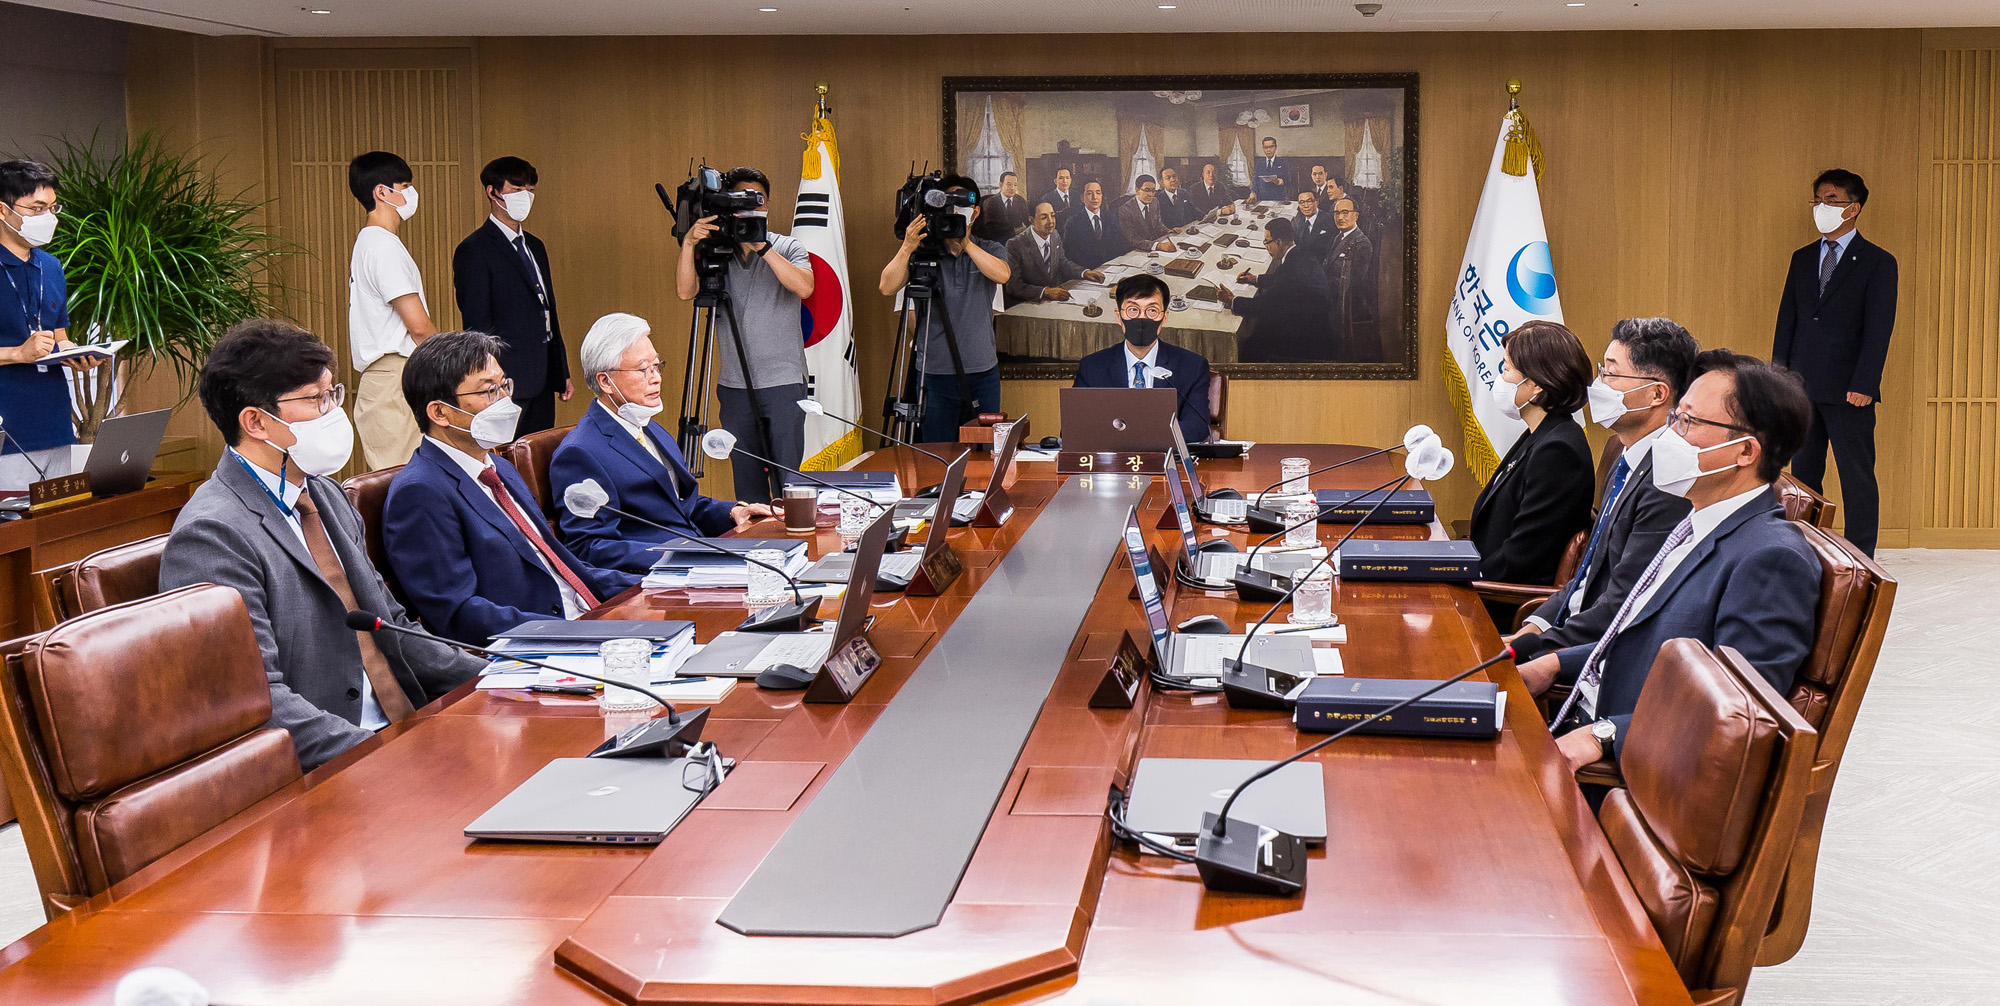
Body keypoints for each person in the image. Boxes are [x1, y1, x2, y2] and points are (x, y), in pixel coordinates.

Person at [161, 319, 482, 771]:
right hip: (333, 765)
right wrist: (387, 757)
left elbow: (392, 626)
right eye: (317, 399)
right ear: (255, 421)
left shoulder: (324, 494)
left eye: (334, 394)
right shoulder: (213, 533)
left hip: (407, 732)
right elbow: (257, 700)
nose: (334, 412)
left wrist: (498, 679)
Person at [1516, 351, 1820, 772]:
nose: (1670, 434)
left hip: (1625, 770)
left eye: (1688, 423)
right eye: (1676, 416)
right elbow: (1644, 637)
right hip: (1575, 710)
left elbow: (1737, 712)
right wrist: (1552, 662)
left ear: (1746, 451)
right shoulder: (1699, 522)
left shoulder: (1771, 559)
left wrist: (1606, 735)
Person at [382, 331, 636, 645]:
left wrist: (651, 586)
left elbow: (559, 565)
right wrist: (573, 633)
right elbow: (458, 613)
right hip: (540, 649)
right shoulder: (420, 492)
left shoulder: (497, 467)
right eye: (490, 391)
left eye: (505, 385)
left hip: (589, 623)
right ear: (439, 412)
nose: (506, 401)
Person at [1507, 318, 1698, 662]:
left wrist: (1534, 647)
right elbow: (1587, 575)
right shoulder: (1626, 456)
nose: (1598, 385)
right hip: (1564, 632)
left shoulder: (1667, 480)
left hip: (1590, 657)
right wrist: (1533, 627)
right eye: (1601, 371)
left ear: (1657, 393)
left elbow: (1623, 603)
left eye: (1611, 374)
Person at [551, 313, 774, 573]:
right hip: (659, 580)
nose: (656, 378)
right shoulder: (580, 452)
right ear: (605, 381)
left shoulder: (649, 427)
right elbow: (591, 547)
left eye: (657, 366)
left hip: (701, 559)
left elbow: (678, 508)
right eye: (643, 369)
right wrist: (679, 556)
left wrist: (732, 512)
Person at [1772, 168, 1895, 557]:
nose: (1821, 208)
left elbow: (1879, 330)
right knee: (1805, 476)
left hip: (1849, 390)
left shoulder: (1878, 262)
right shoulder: (1802, 258)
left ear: (1853, 208)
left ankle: (1862, 558)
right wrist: (1779, 380)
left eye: (1832, 200)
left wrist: (1865, 383)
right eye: (1818, 200)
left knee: (1856, 476)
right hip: (1802, 387)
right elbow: (1786, 321)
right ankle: (1807, 550)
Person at [674, 166, 816, 503]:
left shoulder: (788, 245)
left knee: (790, 482)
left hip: (784, 383)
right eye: (742, 202)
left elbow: (805, 287)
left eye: (758, 201)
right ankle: (758, 548)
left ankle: (795, 540)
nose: (751, 209)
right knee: (748, 482)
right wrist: (689, 242)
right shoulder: (716, 250)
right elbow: (685, 291)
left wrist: (764, 248)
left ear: (768, 205)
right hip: (734, 386)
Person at [1467, 320, 1596, 628]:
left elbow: (1523, 556)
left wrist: (1462, 575)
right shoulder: (1541, 434)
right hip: (1487, 589)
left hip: (1504, 607)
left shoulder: (1559, 451)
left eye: (1507, 369)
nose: (1500, 377)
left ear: (1536, 384)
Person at [877, 174, 1012, 444]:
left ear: (975, 212)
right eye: (947, 202)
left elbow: (1003, 274)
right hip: (935, 375)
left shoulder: (989, 249)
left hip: (983, 372)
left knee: (985, 450)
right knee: (938, 452)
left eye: (961, 203)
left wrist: (966, 243)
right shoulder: (924, 252)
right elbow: (886, 287)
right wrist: (906, 248)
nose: (954, 210)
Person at [452, 155, 571, 437]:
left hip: (542, 375)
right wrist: (488, 380)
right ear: (493, 193)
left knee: (537, 454)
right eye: (516, 191)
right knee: (506, 455)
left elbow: (547, 311)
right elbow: (477, 324)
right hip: (504, 378)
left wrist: (560, 369)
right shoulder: (475, 249)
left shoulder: (536, 247)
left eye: (529, 191)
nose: (525, 198)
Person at [0, 159, 101, 490]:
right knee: (16, 535)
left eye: (52, 207)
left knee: (60, 527)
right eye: (37, 208)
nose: (48, 217)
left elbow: (61, 338)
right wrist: (17, 353)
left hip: (56, 426)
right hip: (8, 434)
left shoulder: (51, 266)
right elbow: (23, 351)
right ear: (3, 211)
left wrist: (79, 355)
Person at [347, 151, 437, 470]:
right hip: (394, 377)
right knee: (402, 481)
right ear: (382, 192)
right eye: (405, 185)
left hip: (392, 377)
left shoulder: (371, 243)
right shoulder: (383, 245)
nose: (411, 193)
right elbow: (419, 327)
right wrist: (453, 363)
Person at [1071, 274, 1211, 444]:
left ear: (1164, 317)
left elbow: (1197, 426)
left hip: (1167, 464)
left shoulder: (1192, 366)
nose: (1142, 318)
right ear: (1118, 316)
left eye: (1152, 310)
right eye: (1133, 310)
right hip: (1113, 466)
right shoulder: (1092, 367)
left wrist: (1138, 434)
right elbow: (1074, 428)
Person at [1214, 217, 1334, 363]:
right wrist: (1255, 279)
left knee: (1250, 344)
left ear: (1278, 242)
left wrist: (1232, 300)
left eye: (1266, 242)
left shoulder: (1290, 267)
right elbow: (1283, 281)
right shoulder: (1299, 253)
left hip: (1305, 335)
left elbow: (1264, 305)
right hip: (1314, 322)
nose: (1266, 247)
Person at [1004, 201, 1104, 308]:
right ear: (1031, 220)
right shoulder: (1014, 245)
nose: (1051, 221)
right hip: (1028, 304)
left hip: (1054, 302)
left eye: (1052, 216)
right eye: (1044, 217)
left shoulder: (1054, 235)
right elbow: (1013, 285)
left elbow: (1062, 263)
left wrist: (1084, 272)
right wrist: (1045, 292)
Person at [1323, 196, 1378, 359]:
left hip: (1347, 304)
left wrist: (1318, 286)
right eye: (1337, 213)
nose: (1340, 217)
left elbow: (1352, 285)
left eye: (1345, 212)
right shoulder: (1340, 236)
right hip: (1334, 294)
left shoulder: (1362, 244)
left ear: (1356, 215)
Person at [1060, 179, 1122, 271]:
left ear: (1102, 196)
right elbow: (1071, 255)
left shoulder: (1110, 217)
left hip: (1111, 269)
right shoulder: (1073, 222)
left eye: (1098, 193)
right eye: (1089, 193)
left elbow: (1120, 245)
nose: (1095, 197)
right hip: (1087, 272)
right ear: (1082, 198)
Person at [1117, 174, 1178, 255]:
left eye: (1153, 190)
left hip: (1155, 248)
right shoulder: (1125, 210)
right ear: (1137, 190)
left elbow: (1158, 224)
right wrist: (1158, 246)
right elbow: (1132, 238)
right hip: (1137, 252)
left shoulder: (1155, 202)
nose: (1151, 194)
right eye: (1147, 190)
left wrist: (1169, 230)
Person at [976, 170, 1032, 242]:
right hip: (997, 241)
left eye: (1015, 185)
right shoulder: (990, 202)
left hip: (1018, 242)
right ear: (1000, 185)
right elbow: (992, 229)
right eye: (1009, 184)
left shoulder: (1021, 201)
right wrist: (1014, 231)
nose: (1012, 188)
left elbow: (1027, 223)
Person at [1291, 190, 1335, 259]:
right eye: (1302, 202)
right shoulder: (1297, 221)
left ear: (1317, 202)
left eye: (1309, 201)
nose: (1306, 206)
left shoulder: (1329, 220)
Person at [1251, 137, 1291, 202]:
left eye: (1271, 147)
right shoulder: (1259, 163)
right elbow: (1255, 181)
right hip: (1262, 199)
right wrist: (1253, 193)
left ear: (1275, 147)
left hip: (1279, 198)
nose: (1268, 150)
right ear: (1263, 148)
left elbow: (1289, 180)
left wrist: (1281, 181)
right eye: (1265, 147)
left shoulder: (1283, 162)